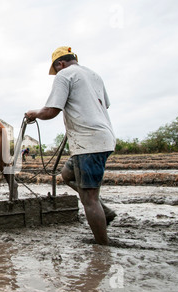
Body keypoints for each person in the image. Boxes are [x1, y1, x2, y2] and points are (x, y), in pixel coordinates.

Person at [25, 46, 116, 245]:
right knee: (66, 176)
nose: (56, 73)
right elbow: (102, 106)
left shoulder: (64, 75)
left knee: (89, 198)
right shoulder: (94, 75)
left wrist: (34, 114)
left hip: (89, 143)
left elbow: (51, 110)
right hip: (102, 138)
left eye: (56, 69)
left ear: (60, 64)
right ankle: (104, 211)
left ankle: (102, 245)